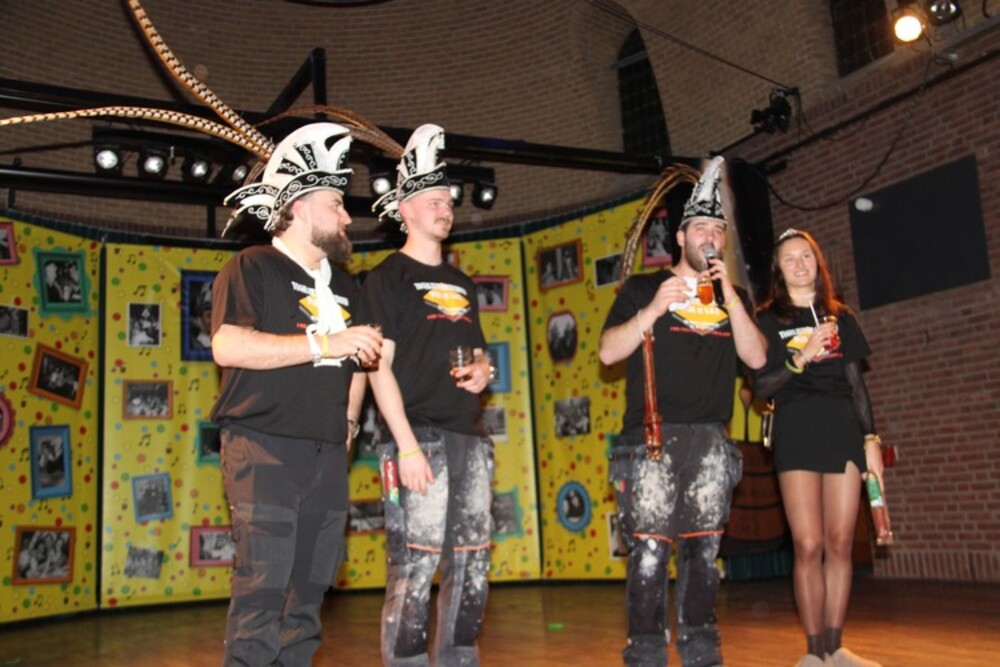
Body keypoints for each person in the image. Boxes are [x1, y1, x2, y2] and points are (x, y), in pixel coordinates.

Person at [209, 122, 383, 667]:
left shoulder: (348, 287)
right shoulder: (253, 265)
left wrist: (349, 422)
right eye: (337, 204)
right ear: (302, 206)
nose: (347, 217)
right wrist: (326, 342)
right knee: (262, 591)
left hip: (327, 453)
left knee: (309, 594)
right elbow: (228, 345)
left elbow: (361, 360)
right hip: (263, 447)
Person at [598, 156, 767, 667]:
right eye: (700, 228)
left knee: (703, 554)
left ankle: (701, 651)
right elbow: (607, 352)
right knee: (650, 553)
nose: (709, 237)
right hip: (651, 440)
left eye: (717, 229)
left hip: (711, 442)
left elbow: (757, 359)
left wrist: (730, 297)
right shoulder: (642, 288)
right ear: (680, 238)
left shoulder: (733, 298)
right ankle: (647, 653)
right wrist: (653, 310)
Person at [363, 124, 495, 667]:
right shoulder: (386, 278)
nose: (446, 209)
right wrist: (407, 447)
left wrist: (483, 370)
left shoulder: (462, 284)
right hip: (416, 438)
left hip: (470, 440)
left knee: (472, 565)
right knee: (414, 568)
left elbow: (478, 354)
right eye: (434, 201)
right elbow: (378, 368)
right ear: (406, 210)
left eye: (449, 200)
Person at [752, 229, 884, 667]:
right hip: (796, 429)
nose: (799, 264)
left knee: (840, 542)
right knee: (808, 543)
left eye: (806, 256)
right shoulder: (767, 320)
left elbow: (857, 387)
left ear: (817, 263)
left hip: (842, 430)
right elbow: (761, 387)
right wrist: (802, 354)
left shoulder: (840, 317)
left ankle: (834, 647)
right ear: (778, 269)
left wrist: (870, 440)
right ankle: (813, 653)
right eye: (789, 259)